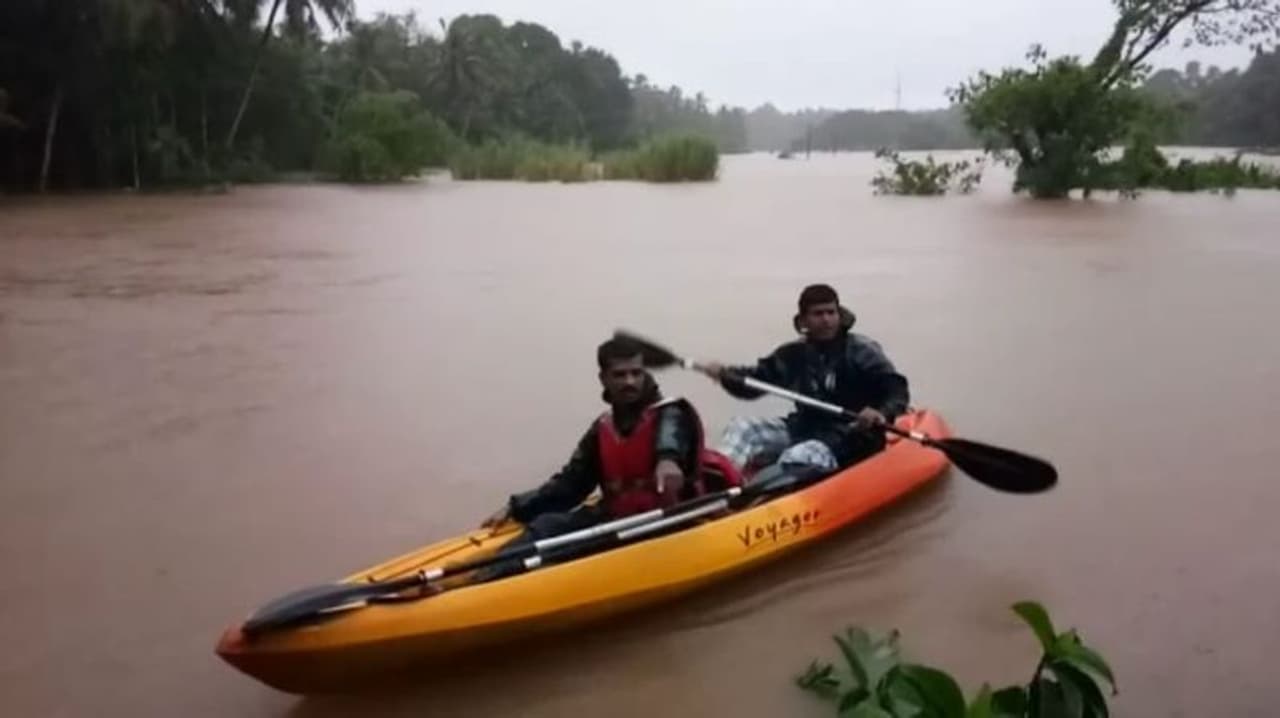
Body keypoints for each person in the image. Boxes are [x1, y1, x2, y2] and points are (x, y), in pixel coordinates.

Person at [474, 336, 740, 581]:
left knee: (559, 543)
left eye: (636, 373)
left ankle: (484, 586)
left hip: (670, 521)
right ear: (603, 378)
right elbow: (570, 485)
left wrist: (668, 460)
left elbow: (671, 440)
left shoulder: (671, 414)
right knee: (547, 525)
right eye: (620, 375)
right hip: (618, 517)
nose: (630, 382)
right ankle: (480, 580)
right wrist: (517, 506)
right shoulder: (602, 428)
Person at [700, 284, 910, 476]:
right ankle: (716, 483)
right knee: (743, 428)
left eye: (831, 312)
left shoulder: (863, 352)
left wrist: (881, 412)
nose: (826, 320)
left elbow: (897, 390)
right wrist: (725, 374)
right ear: (803, 320)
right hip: (804, 427)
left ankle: (769, 499)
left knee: (798, 456)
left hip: (852, 436)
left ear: (839, 314)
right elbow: (755, 382)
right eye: (818, 314)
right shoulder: (793, 354)